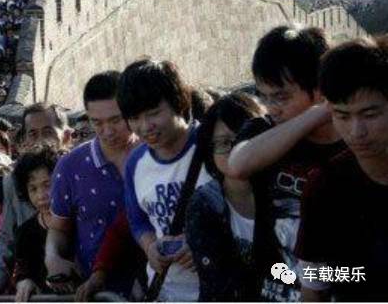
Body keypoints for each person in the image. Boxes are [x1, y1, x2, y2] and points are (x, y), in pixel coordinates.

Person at [228, 26, 347, 302]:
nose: (271, 107)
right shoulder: (262, 130)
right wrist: (319, 113)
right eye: (264, 96)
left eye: (281, 97)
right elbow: (238, 164)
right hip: (273, 289)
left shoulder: (354, 144)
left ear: (319, 88)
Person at [296, 36, 388, 301]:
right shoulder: (324, 188)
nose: (357, 132)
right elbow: (313, 285)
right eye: (342, 116)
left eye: (370, 115)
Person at [119, 59, 211, 302]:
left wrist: (204, 242)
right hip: (166, 291)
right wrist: (150, 247)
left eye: (154, 113)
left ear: (179, 101)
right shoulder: (135, 162)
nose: (145, 126)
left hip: (220, 288)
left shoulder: (213, 144)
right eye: (134, 118)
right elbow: (137, 219)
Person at [46, 71, 138, 297]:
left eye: (116, 120)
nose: (108, 131)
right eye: (97, 122)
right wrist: (53, 257)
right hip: (96, 292)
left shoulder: (154, 155)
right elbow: (59, 228)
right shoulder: (71, 166)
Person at [0, 103, 72, 301]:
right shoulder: (13, 181)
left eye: (48, 132)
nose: (40, 140)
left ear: (65, 136)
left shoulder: (79, 173)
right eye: (32, 134)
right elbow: (7, 237)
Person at [185, 93, 265, 301]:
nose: (236, 151)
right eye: (224, 143)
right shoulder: (204, 204)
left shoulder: (287, 195)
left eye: (244, 140)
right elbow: (218, 283)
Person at [13, 146, 59, 302]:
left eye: (47, 185)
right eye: (33, 189)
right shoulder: (25, 232)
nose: (41, 196)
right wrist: (24, 281)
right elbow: (23, 270)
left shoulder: (81, 222)